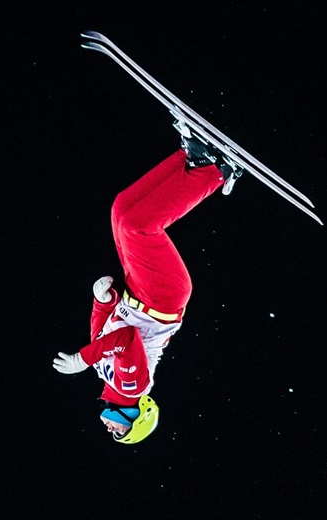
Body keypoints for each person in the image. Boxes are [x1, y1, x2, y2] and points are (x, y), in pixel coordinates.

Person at [53, 119, 243, 443]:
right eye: (121, 432)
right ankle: (218, 173)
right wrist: (84, 358)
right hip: (162, 298)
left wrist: (102, 300)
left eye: (115, 434)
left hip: (136, 290)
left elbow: (103, 331)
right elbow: (126, 339)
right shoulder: (133, 387)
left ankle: (191, 157)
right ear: (135, 419)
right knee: (137, 229)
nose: (111, 431)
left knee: (121, 212)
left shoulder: (104, 375)